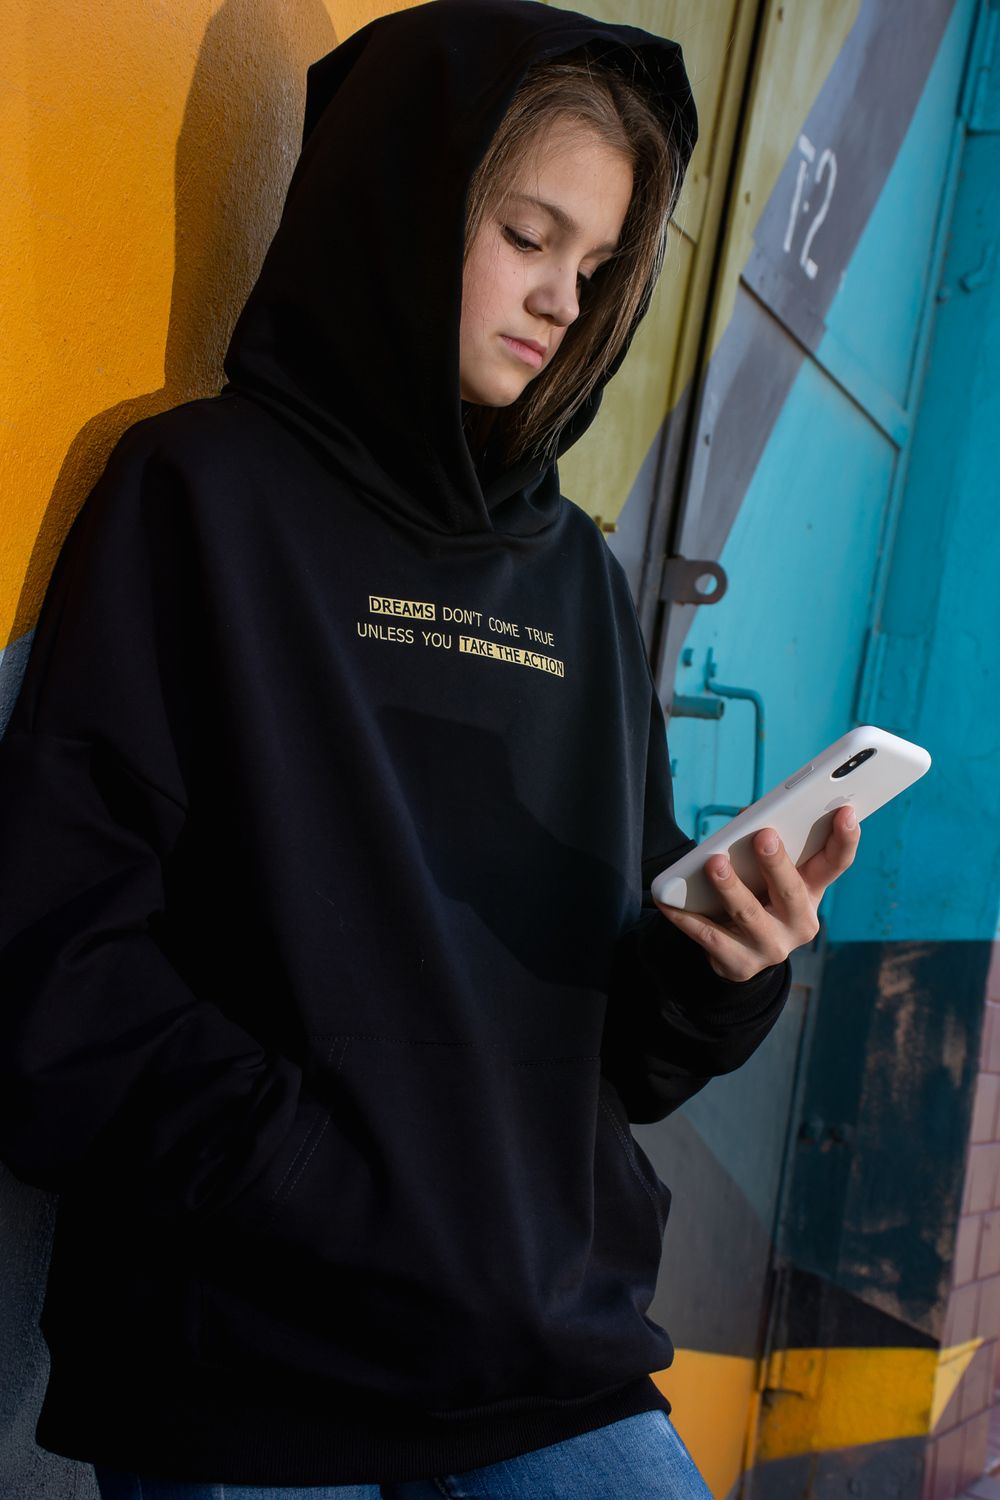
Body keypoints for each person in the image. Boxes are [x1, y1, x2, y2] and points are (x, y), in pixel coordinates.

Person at [0, 2, 860, 1496]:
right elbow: (58, 957)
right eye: (527, 236)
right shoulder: (197, 496)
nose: (561, 300)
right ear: (398, 202)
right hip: (247, 1366)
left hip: (547, 1362)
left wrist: (722, 969)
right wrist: (312, 1179)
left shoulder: (578, 581)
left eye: (596, 266)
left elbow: (614, 1045)